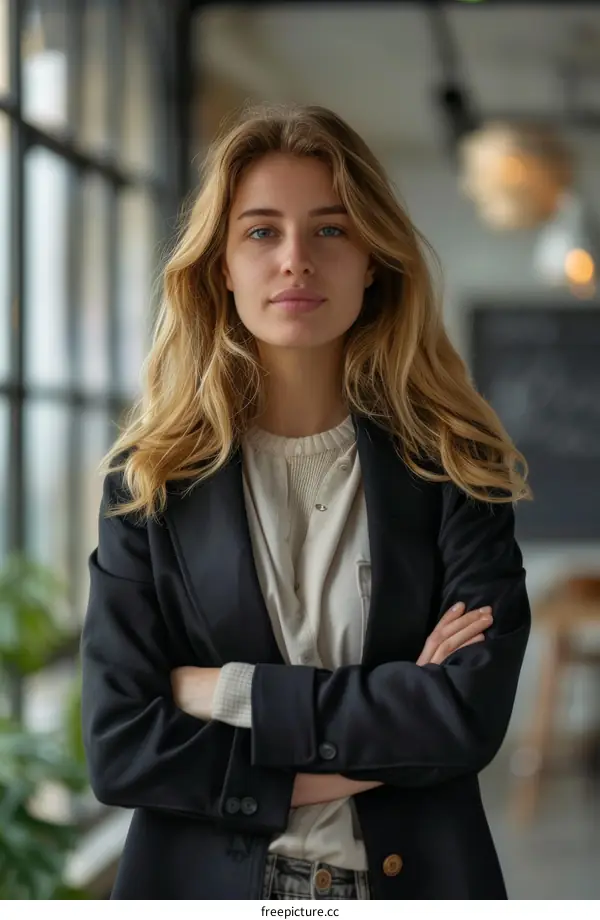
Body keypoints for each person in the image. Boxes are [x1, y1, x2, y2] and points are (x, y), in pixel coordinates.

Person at [81, 103, 532, 901]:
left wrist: (224, 693)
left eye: (330, 230)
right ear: (220, 263)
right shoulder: (147, 481)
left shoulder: (460, 467)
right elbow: (123, 749)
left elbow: (465, 719)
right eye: (261, 231)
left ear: (372, 260)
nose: (295, 260)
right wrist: (392, 726)